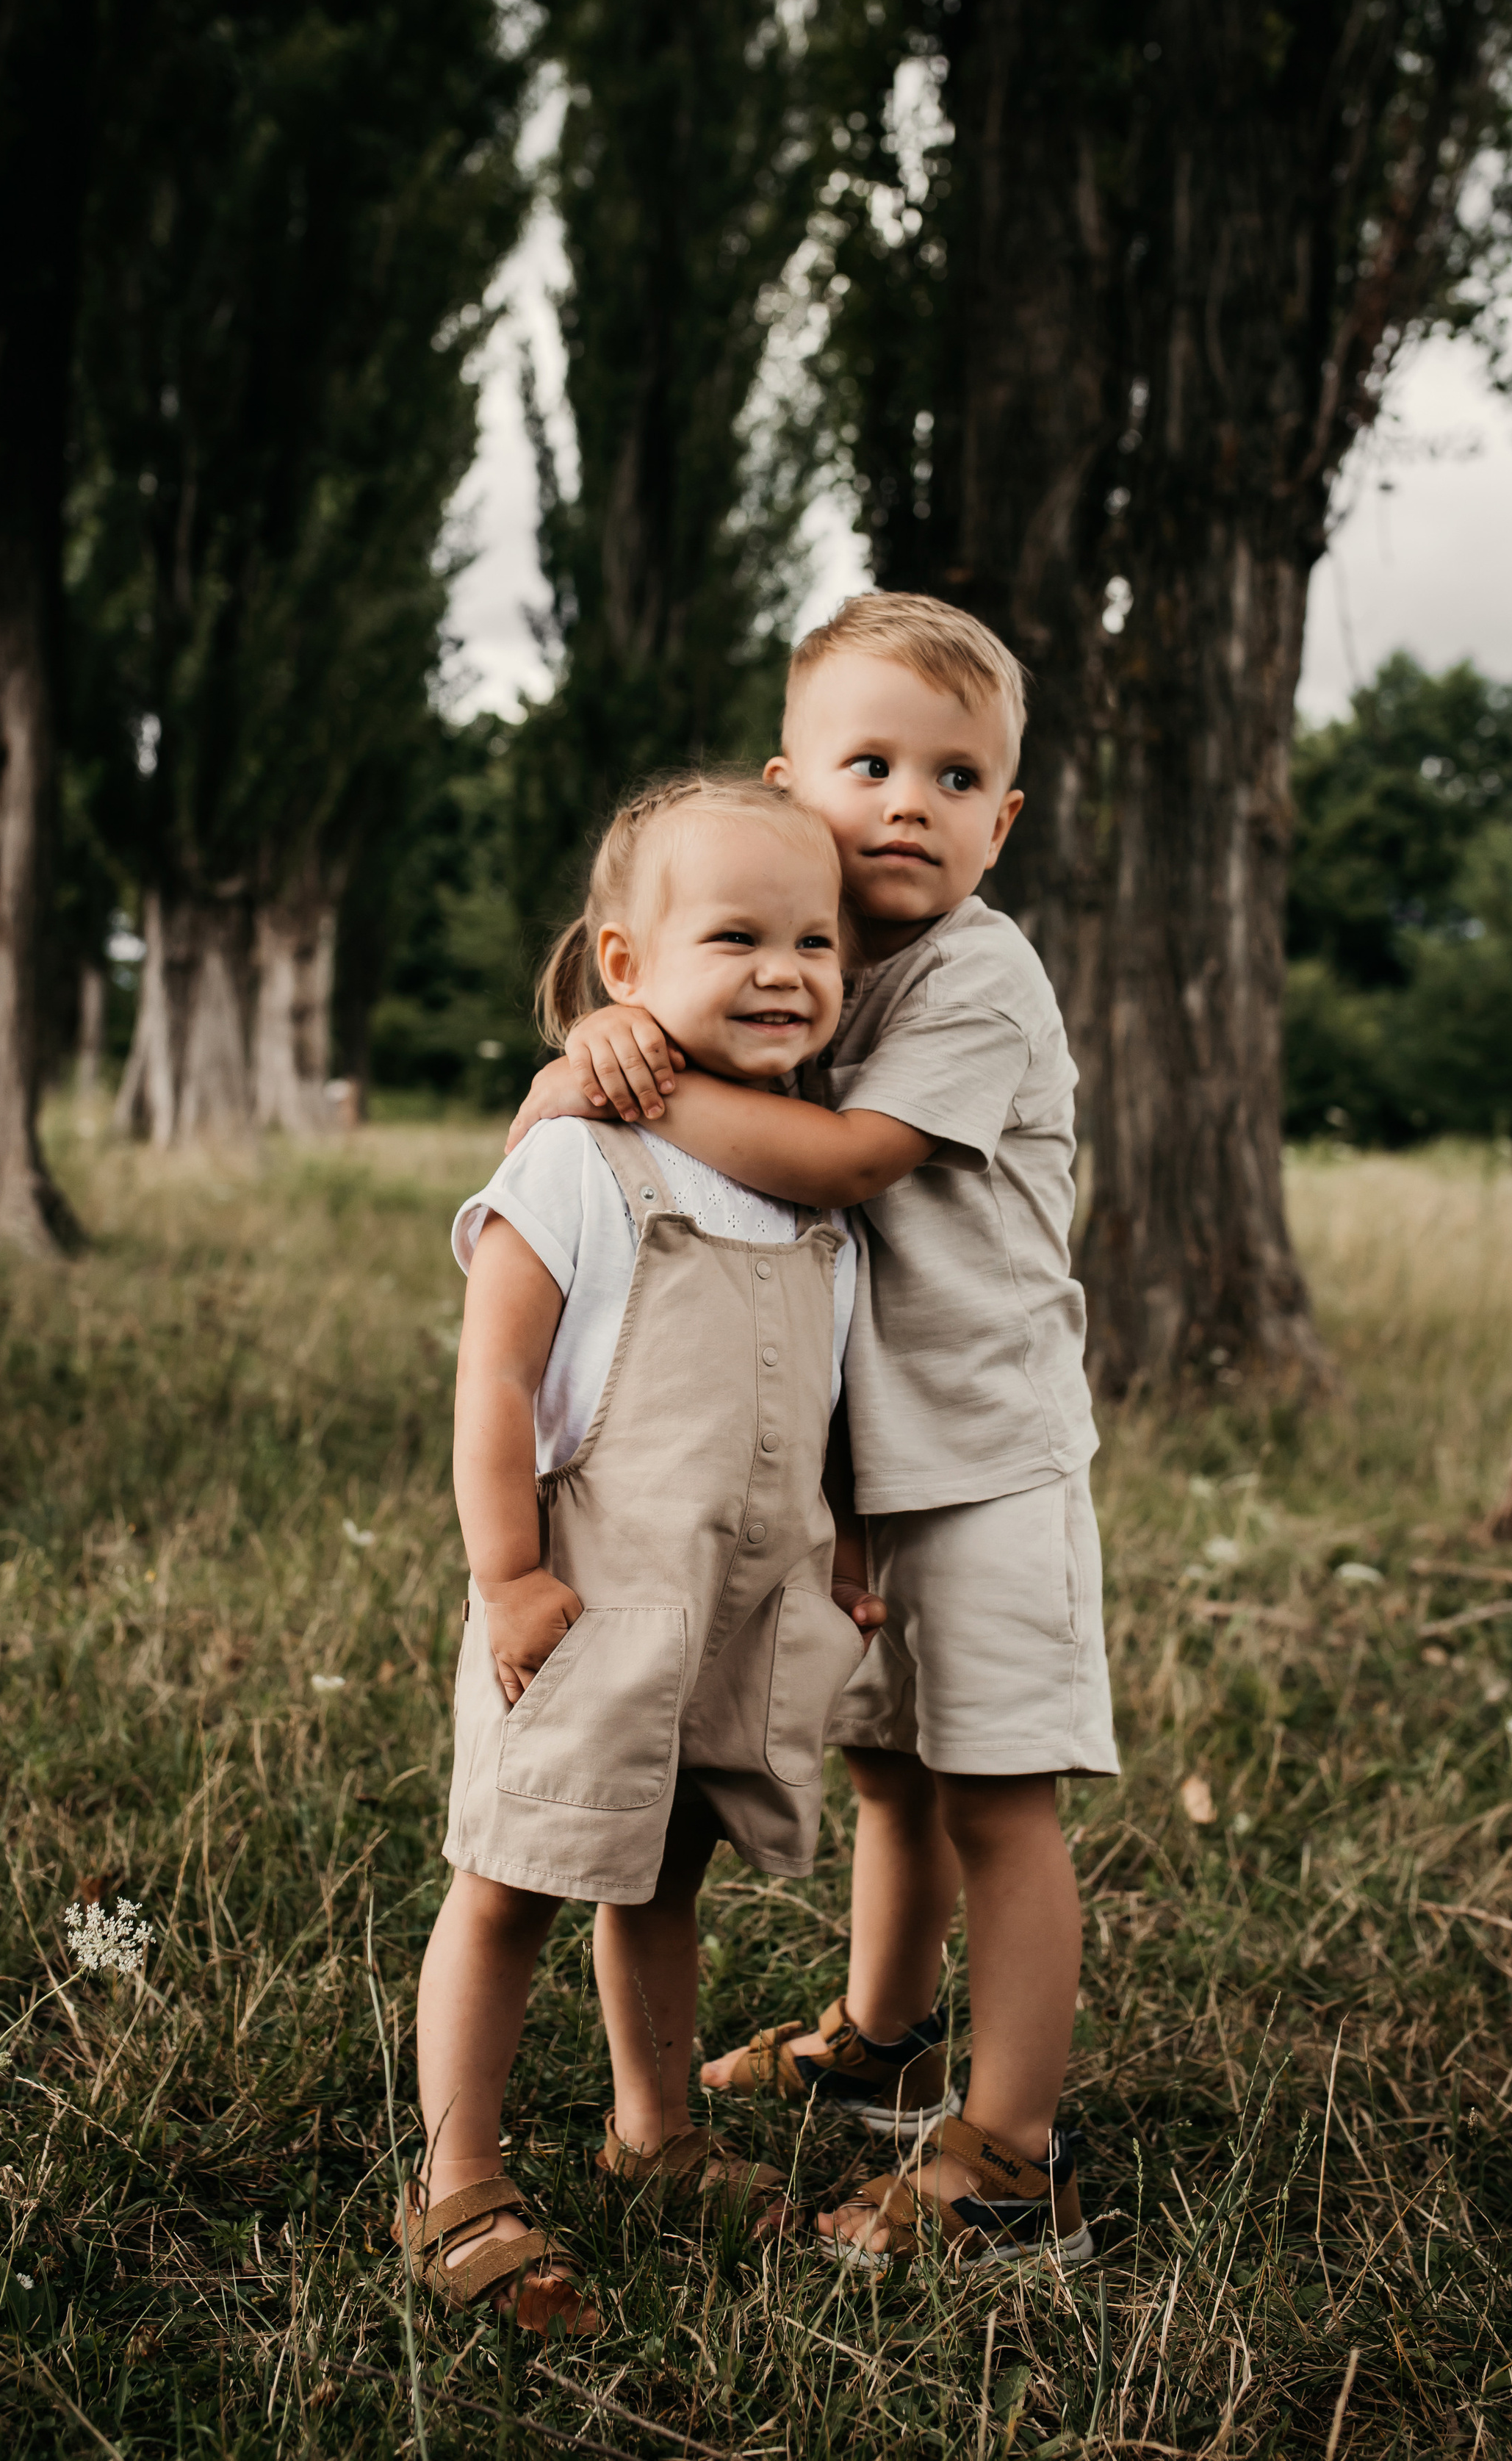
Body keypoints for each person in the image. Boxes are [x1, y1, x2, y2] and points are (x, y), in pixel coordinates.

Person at [511, 594, 1117, 2274]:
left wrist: (620, 1086)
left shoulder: (976, 976)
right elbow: (677, 1016)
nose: (905, 801)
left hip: (985, 1461)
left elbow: (848, 1161)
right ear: (794, 788)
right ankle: (879, 2039)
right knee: (885, 1774)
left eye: (953, 775)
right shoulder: (794, 961)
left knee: (996, 1796)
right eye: (867, 763)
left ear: (1003, 819)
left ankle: (1003, 2157)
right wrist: (607, 1031)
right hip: (853, 1473)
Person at [407, 772, 876, 2335]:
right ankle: (457, 2174)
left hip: (733, 1599)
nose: (780, 970)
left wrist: (849, 1542)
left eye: (812, 940)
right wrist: (504, 1572)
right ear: (622, 965)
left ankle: (650, 2130)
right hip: (590, 1597)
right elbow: (492, 1373)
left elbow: (821, 1403)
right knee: (512, 1878)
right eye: (732, 934)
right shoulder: (584, 1160)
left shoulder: (808, 1188)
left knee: (660, 1872)